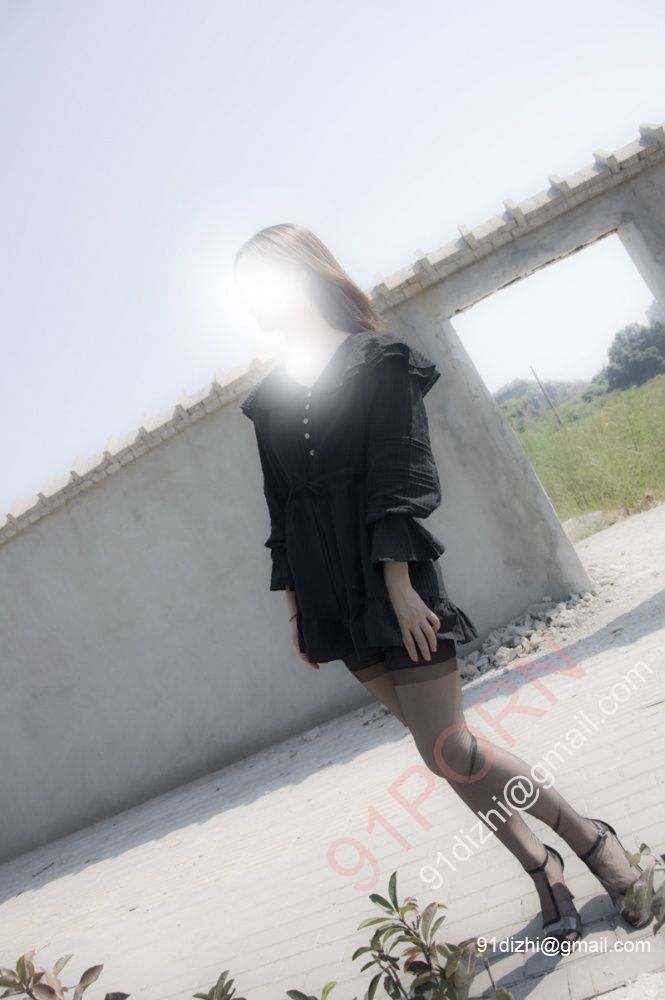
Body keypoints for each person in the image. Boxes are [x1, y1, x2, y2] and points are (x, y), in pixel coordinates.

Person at [234, 222, 651, 947]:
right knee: (439, 752)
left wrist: (398, 583)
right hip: (330, 595)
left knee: (451, 747)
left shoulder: (378, 358)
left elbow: (399, 471)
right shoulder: (267, 398)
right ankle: (540, 867)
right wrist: (298, 607)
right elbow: (281, 506)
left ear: (302, 272)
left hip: (388, 577)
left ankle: (591, 841)